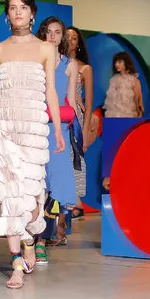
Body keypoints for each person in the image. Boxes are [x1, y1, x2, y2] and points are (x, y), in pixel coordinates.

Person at [0, 0, 65, 289]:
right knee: (8, 195)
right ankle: (16, 261)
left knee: (30, 200)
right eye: (12, 8)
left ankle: (30, 240)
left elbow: (52, 92)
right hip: (3, 126)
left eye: (23, 7)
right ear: (8, 15)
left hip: (32, 128)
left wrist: (57, 128)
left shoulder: (46, 48)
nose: (17, 12)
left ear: (32, 13)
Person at [33, 16, 78, 262]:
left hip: (58, 130)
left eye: (57, 32)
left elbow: (69, 101)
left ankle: (43, 239)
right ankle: (33, 240)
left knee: (56, 189)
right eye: (49, 32)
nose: (53, 36)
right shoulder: (34, 63)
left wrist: (73, 131)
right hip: (37, 129)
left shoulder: (69, 65)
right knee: (36, 186)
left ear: (62, 36)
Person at [66, 26, 96, 220]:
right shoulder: (56, 64)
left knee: (74, 159)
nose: (70, 40)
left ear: (78, 43)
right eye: (67, 36)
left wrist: (84, 130)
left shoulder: (85, 68)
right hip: (57, 115)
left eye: (74, 37)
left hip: (75, 118)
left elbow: (89, 103)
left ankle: (76, 204)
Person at [103, 52, 144, 117]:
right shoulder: (113, 80)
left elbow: (138, 101)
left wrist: (139, 113)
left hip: (128, 116)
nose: (116, 64)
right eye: (115, 62)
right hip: (113, 117)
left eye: (119, 62)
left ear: (126, 63)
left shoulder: (134, 81)